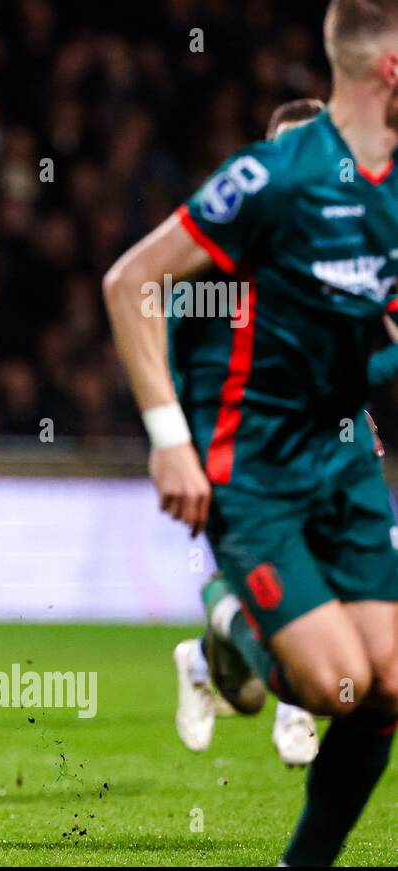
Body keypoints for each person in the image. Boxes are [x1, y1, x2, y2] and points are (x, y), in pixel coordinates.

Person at [104, 0, 398, 865]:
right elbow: (133, 284)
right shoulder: (271, 180)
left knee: (386, 686)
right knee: (334, 686)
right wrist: (169, 438)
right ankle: (229, 624)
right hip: (254, 469)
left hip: (344, 462)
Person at [172, 98, 327, 768]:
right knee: (288, 597)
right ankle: (293, 702)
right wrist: (174, 433)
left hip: (324, 435)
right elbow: (175, 331)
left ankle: (205, 658)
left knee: (253, 684)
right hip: (236, 437)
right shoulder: (222, 249)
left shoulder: (346, 243)